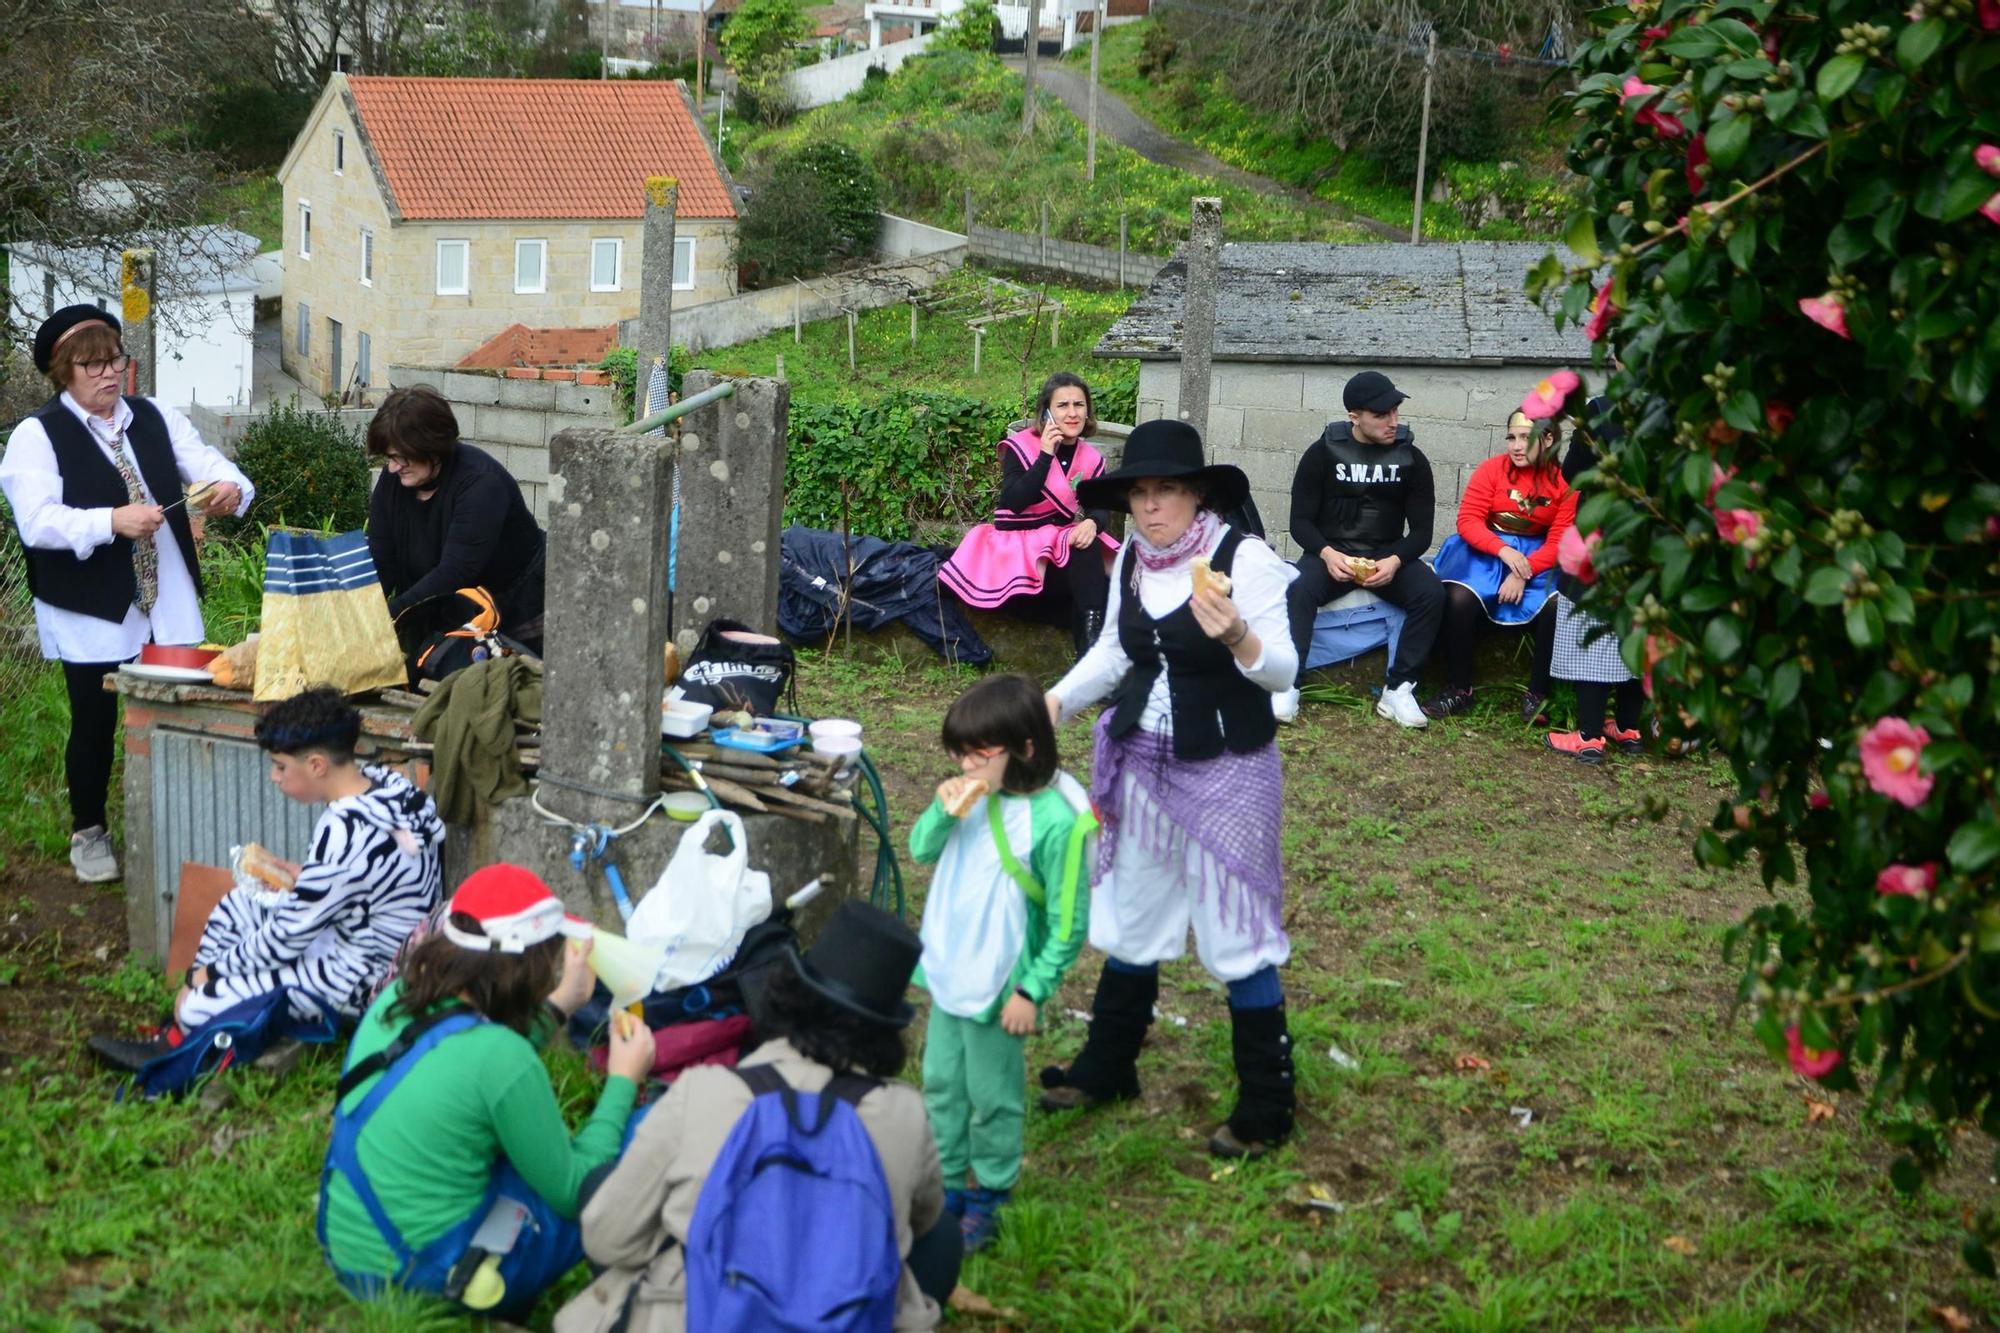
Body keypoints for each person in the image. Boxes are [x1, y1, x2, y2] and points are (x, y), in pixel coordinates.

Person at [1037, 419, 1300, 1159]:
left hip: (1226, 767)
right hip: (1139, 762)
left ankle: (1268, 1101)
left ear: (1198, 493)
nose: (1152, 507)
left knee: (1236, 925)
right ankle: (1110, 1064)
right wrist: (1054, 703)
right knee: (1132, 909)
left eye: (1168, 491)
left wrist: (1240, 637)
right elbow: (1118, 648)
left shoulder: (1241, 560)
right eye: (1141, 493)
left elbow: (1283, 669)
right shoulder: (1131, 562)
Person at [556, 901, 958, 1333]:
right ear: (888, 1032)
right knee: (943, 1238)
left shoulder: (704, 1091)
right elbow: (925, 1220)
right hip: (843, 1312)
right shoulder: (905, 1114)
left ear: (787, 992)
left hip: (701, 1316)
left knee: (605, 1187)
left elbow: (607, 1237)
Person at [319, 864, 654, 1321]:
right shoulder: (503, 1057)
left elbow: (465, 1054)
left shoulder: (397, 997)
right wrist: (623, 1080)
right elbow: (576, 1189)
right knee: (646, 1131)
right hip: (428, 1274)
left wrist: (562, 1003)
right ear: (525, 966)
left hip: (351, 1251)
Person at [0, 305, 253, 884]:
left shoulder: (154, 416)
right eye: (92, 365)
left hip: (167, 598)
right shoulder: (36, 436)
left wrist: (228, 491)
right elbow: (37, 521)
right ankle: (89, 831)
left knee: (175, 710)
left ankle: (176, 829)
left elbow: (211, 465)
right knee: (94, 720)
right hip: (90, 606)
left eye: (114, 359)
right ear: (63, 371)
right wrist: (110, 521)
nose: (109, 374)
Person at [86, 687, 445, 1070]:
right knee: (239, 903)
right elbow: (363, 880)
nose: (274, 777)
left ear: (318, 765)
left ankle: (189, 1029)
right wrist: (304, 876)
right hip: (358, 937)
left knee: (199, 1002)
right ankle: (190, 1023)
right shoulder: (388, 785)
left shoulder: (345, 829)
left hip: (364, 978)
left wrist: (203, 975)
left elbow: (286, 939)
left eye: (280, 766)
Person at [910, 672, 1093, 1251]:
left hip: (998, 983)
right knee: (940, 1082)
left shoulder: (1056, 821)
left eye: (978, 755)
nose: (965, 767)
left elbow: (1068, 922)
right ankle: (946, 1185)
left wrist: (1032, 990)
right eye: (958, 754)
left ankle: (990, 1190)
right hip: (948, 968)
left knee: (992, 1094)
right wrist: (943, 811)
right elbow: (919, 849)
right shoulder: (966, 797)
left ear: (1026, 748)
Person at [1280, 370, 1443, 728]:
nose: (1393, 422)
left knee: (1431, 592)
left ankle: (1399, 689)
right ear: (1355, 417)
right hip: (1333, 556)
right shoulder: (1321, 453)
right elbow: (1301, 522)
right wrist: (1326, 554)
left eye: (1396, 412)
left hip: (1386, 556)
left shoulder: (1412, 458)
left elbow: (1422, 531)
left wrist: (1396, 560)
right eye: (1382, 414)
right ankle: (1287, 686)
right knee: (1297, 589)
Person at [939, 372, 1120, 656]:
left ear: (1088, 411)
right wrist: (1045, 455)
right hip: (1016, 550)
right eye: (1063, 406)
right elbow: (1014, 502)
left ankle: (1092, 654)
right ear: (1047, 411)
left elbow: (1100, 506)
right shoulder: (1022, 446)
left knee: (1102, 574)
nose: (1072, 413)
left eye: (1079, 405)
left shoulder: (1091, 458)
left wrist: (1092, 522)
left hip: (1057, 550)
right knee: (1092, 581)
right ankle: (1091, 654)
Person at [364, 385, 546, 657]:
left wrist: (387, 617)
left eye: (401, 457)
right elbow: (381, 559)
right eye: (389, 458)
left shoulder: (482, 484)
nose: (392, 467)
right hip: (443, 612)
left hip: (514, 616)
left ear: (432, 449)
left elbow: (453, 574)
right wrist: (359, 616)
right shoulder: (394, 481)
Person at [1423, 411, 1576, 719]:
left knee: (1556, 605)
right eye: (1511, 437)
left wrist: (1523, 571)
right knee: (1458, 597)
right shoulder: (1491, 470)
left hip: (1538, 555)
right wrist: (1505, 552)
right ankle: (1459, 689)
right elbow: (1468, 520)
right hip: (1486, 549)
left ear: (1547, 440)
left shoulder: (1565, 482)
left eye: (1525, 438)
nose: (1516, 446)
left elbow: (1560, 540)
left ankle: (1538, 693)